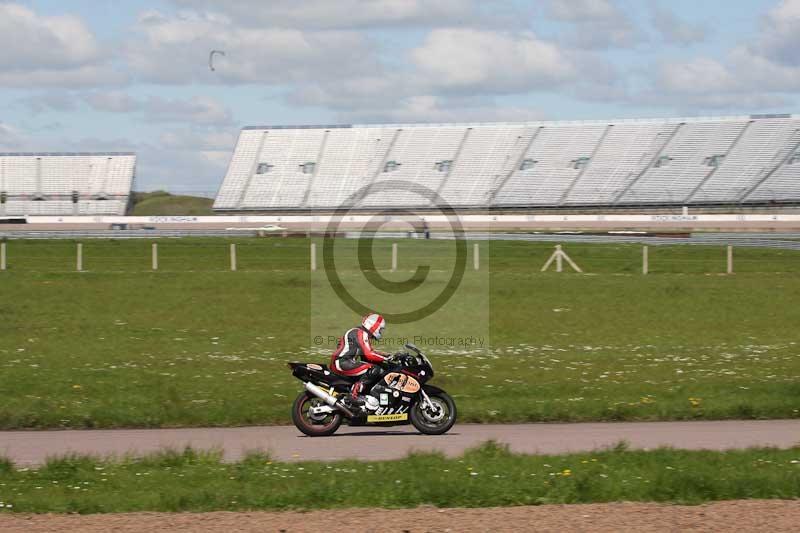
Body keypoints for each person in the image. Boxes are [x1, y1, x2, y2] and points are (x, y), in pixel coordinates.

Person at [330, 313, 390, 410]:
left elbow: (368, 353)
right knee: (374, 369)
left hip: (342, 361)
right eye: (380, 329)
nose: (380, 331)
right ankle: (354, 395)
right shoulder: (361, 333)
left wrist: (385, 355)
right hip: (343, 362)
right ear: (373, 325)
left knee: (372, 366)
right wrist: (387, 359)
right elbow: (369, 354)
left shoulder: (358, 332)